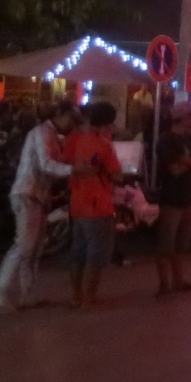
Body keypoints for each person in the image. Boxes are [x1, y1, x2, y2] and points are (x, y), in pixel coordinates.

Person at [0, 101, 82, 313]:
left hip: (36, 196)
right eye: (71, 120)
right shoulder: (42, 133)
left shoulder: (51, 137)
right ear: (61, 114)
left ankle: (26, 295)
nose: (71, 125)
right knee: (23, 247)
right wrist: (74, 169)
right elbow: (46, 165)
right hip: (27, 194)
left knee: (33, 249)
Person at [63, 101, 123, 309]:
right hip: (98, 203)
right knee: (96, 253)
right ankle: (89, 298)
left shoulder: (73, 138)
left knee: (78, 252)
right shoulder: (103, 143)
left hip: (77, 201)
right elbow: (115, 173)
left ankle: (76, 296)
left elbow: (65, 164)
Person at [155, 101, 191, 297]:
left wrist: (184, 161)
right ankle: (164, 283)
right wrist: (190, 163)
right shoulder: (166, 140)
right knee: (166, 241)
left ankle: (178, 279)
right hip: (171, 196)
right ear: (182, 118)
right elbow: (173, 170)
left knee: (182, 241)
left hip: (188, 195)